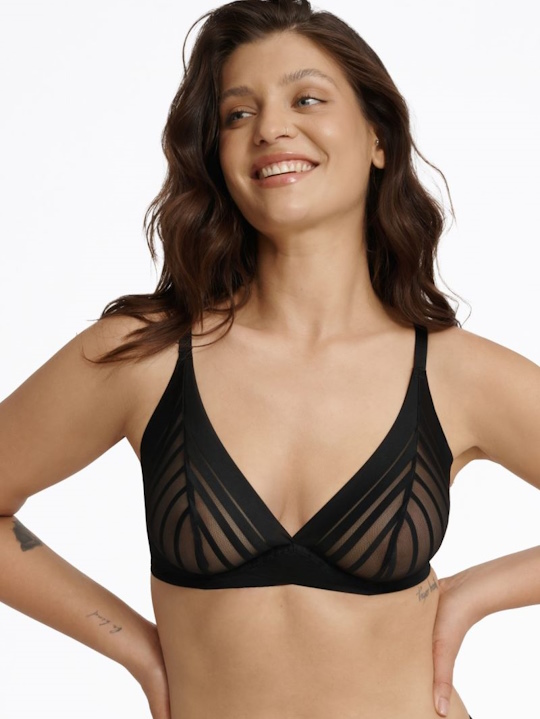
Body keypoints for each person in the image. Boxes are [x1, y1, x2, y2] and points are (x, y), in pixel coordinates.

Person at [1, 1, 539, 717]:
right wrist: (138, 650)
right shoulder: (145, 356)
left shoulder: (457, 373)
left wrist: (473, 594)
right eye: (237, 114)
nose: (271, 128)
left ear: (378, 138)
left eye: (306, 99)